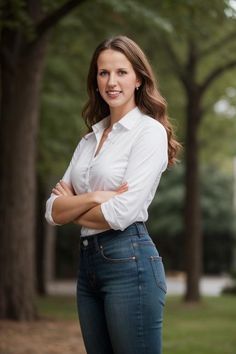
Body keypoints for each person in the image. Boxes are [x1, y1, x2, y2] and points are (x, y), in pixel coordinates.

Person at [45, 35, 180, 354]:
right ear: (95, 80)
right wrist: (94, 198)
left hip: (129, 259)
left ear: (138, 79)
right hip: (88, 263)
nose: (111, 81)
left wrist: (72, 206)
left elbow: (121, 212)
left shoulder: (149, 132)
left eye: (121, 72)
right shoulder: (88, 141)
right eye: (103, 73)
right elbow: (52, 211)